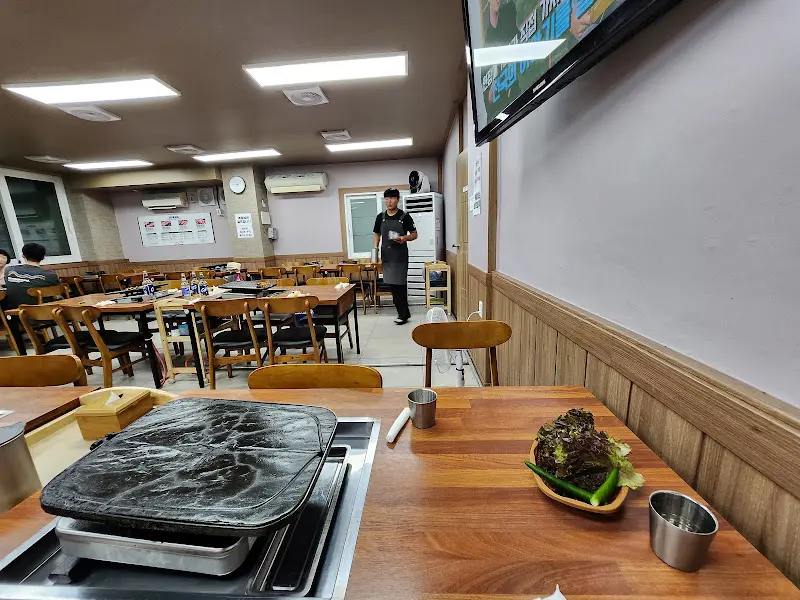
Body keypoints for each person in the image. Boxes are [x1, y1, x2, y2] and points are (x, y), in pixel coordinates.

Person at [373, 189, 418, 325]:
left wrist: (404, 238)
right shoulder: (380, 217)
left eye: (392, 198)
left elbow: (414, 234)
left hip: (400, 256)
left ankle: (402, 314)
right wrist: (375, 250)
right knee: (392, 285)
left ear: (398, 199)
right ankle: (404, 312)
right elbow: (377, 234)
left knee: (400, 284)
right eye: (387, 199)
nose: (389, 202)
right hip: (387, 256)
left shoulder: (404, 216)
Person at [3, 243, 61, 308]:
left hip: (15, 311)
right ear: (43, 257)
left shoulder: (9, 270)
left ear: (23, 256)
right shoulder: (50, 275)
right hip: (44, 311)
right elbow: (57, 296)